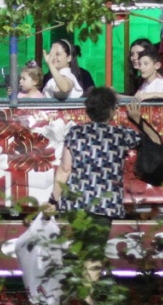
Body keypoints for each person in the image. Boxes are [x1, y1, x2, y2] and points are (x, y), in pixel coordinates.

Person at [50, 88, 151, 284]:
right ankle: (86, 298)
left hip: (76, 201)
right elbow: (152, 141)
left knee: (84, 249)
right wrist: (138, 120)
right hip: (104, 202)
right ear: (112, 111)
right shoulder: (120, 135)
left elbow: (65, 169)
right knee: (94, 252)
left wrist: (53, 199)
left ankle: (80, 292)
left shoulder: (75, 132)